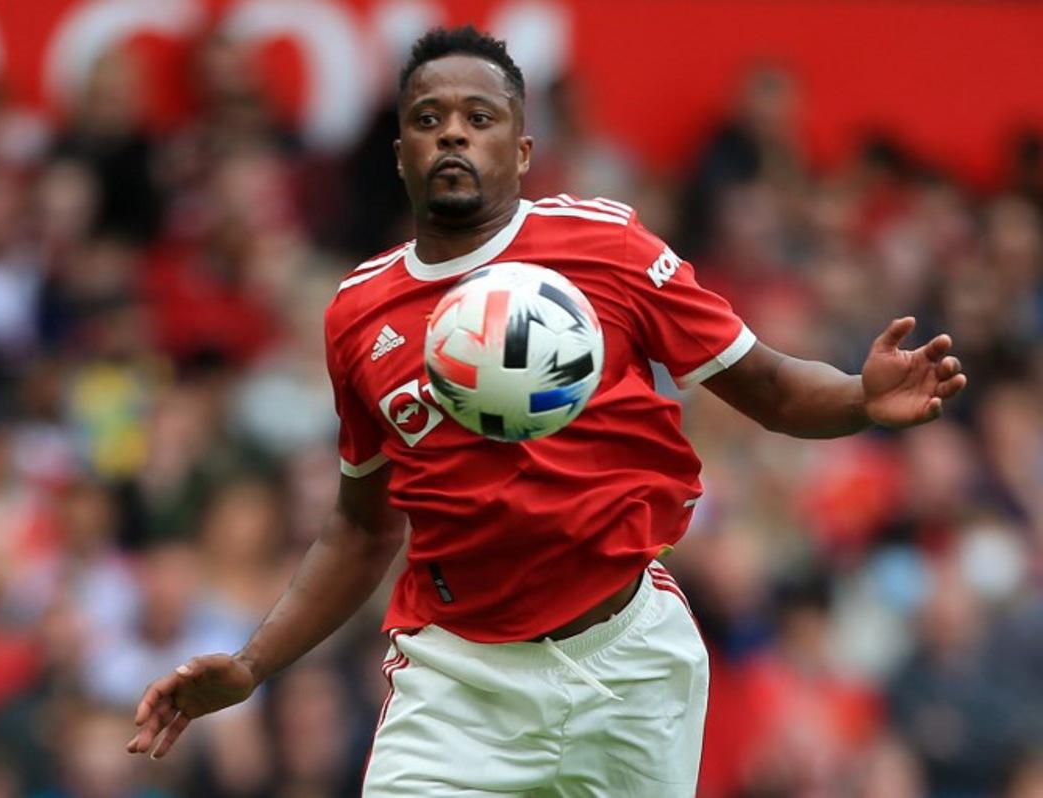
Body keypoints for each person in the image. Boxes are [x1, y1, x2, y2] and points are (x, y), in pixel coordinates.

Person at [126, 26, 966, 796]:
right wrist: (250, 665)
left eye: (478, 116)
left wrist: (859, 398)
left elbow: (772, 386)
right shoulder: (358, 314)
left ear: (522, 148)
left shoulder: (609, 246)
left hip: (630, 662)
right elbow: (361, 528)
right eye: (428, 117)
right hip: (458, 680)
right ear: (399, 153)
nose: (452, 132)